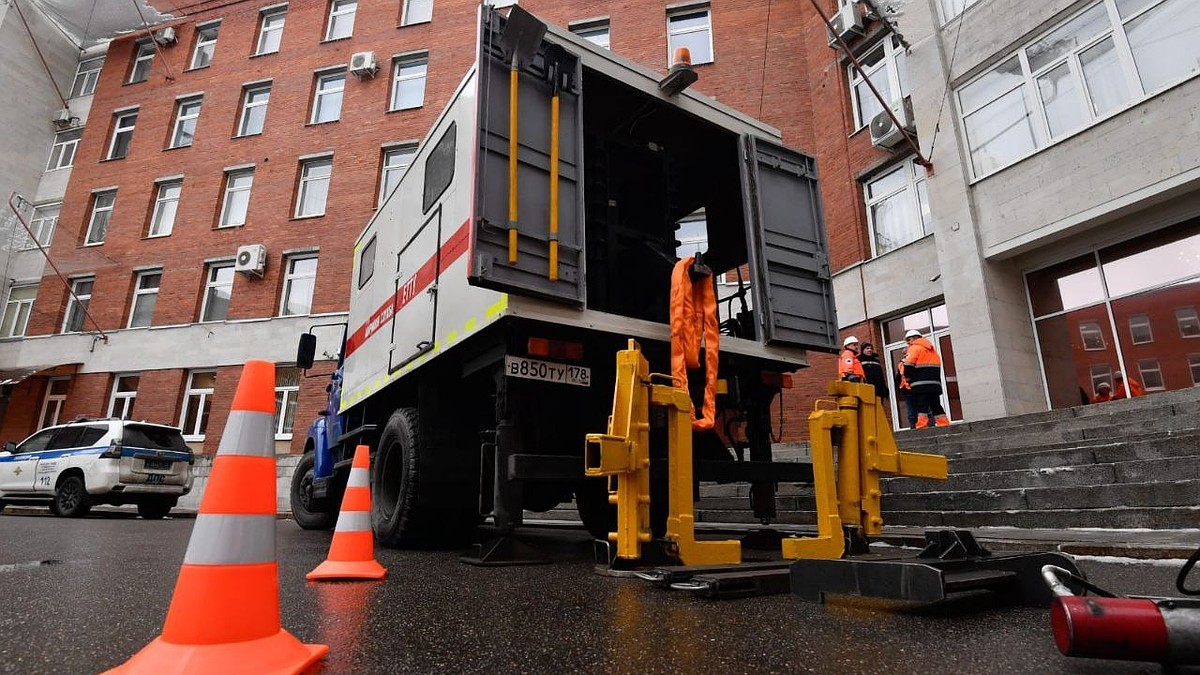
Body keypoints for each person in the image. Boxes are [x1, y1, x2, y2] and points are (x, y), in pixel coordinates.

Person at [901, 329, 949, 428]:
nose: (908, 343)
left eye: (909, 340)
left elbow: (909, 365)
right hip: (934, 384)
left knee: (921, 406)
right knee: (936, 405)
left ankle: (922, 426)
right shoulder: (932, 350)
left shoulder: (914, 348)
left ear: (915, 338)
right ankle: (944, 424)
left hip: (920, 384)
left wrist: (908, 379)